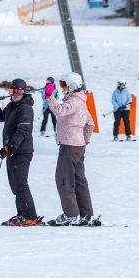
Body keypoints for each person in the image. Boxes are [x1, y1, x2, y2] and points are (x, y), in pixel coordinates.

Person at [0, 78, 40, 226]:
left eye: (18, 91)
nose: (15, 94)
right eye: (12, 91)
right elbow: (1, 117)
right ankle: (22, 214)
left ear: (24, 92)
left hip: (22, 151)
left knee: (20, 184)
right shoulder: (11, 106)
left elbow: (23, 131)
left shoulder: (26, 108)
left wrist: (10, 146)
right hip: (12, 151)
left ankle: (30, 216)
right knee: (14, 185)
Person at [45, 71, 96, 226]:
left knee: (64, 180)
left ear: (72, 85)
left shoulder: (74, 101)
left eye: (63, 84)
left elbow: (60, 110)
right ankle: (86, 214)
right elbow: (90, 123)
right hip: (78, 146)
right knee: (79, 180)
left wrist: (49, 97)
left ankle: (71, 215)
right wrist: (85, 140)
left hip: (69, 145)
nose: (62, 88)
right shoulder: (81, 100)